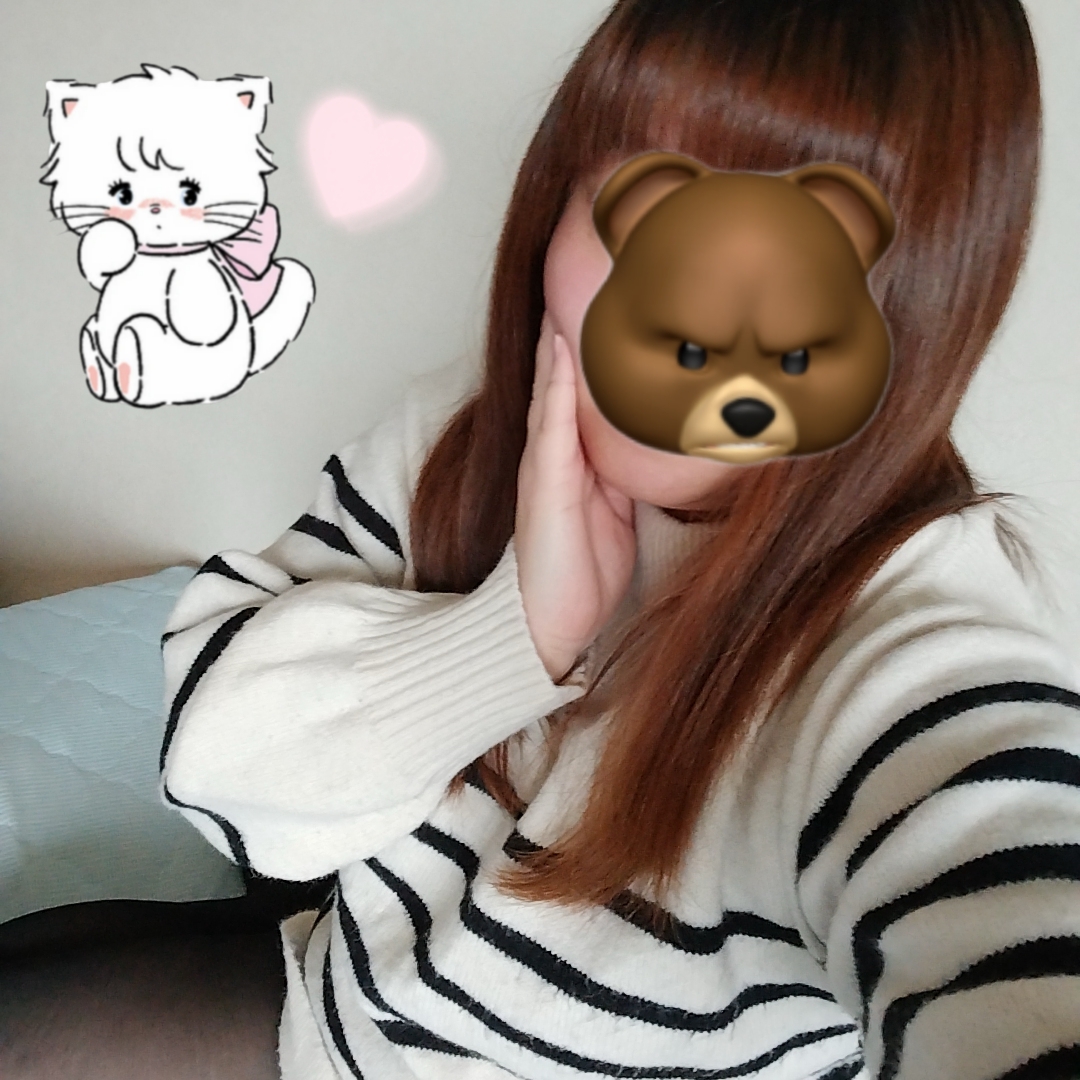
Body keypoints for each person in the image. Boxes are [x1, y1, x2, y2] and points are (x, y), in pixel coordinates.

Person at [160, 1, 1080, 1078]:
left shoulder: (910, 650)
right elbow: (215, 783)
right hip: (337, 1027)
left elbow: (1004, 911)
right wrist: (513, 636)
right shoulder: (461, 433)